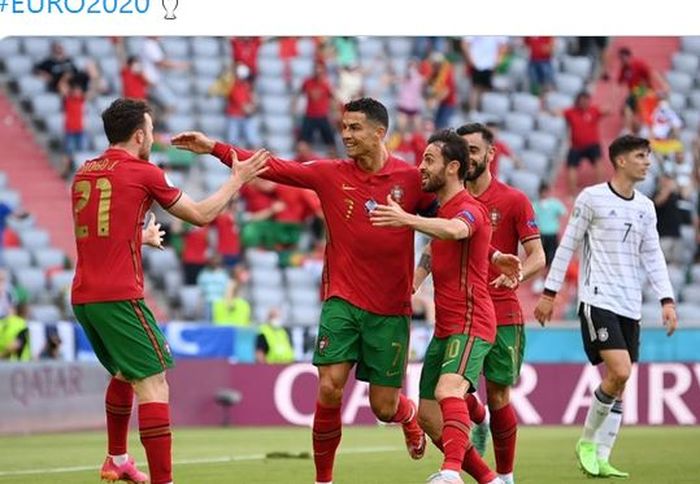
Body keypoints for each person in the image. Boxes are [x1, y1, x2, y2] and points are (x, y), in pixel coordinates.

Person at [173, 100, 523, 484]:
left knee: (384, 407)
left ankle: (414, 422)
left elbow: (454, 221)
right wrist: (213, 148)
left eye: (354, 128)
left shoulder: (411, 180)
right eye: (343, 127)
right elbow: (272, 166)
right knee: (328, 387)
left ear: (378, 132)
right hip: (342, 298)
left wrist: (493, 255)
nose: (345, 135)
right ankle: (324, 480)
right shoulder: (329, 174)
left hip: (390, 310)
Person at [70, 98, 268, 484]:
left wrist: (138, 237)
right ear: (140, 135)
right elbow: (201, 215)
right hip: (119, 297)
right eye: (152, 129)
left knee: (125, 373)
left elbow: (97, 233)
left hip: (84, 296)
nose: (154, 136)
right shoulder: (144, 172)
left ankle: (117, 459)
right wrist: (238, 178)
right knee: (155, 382)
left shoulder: (84, 171)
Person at [534, 135, 678, 479]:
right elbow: (567, 245)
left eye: (648, 157)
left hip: (631, 304)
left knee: (619, 380)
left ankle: (601, 457)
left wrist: (667, 299)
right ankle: (586, 442)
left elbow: (653, 255)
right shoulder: (592, 198)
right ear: (621, 161)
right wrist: (549, 293)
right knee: (621, 371)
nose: (647, 162)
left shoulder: (645, 207)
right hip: (598, 299)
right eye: (641, 156)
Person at [370, 129, 506, 484]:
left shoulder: (469, 209)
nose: (421, 167)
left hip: (473, 322)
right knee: (430, 417)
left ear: (453, 167)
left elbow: (457, 231)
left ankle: (450, 474)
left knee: (448, 391)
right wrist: (413, 284)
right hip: (445, 327)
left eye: (429, 160)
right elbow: (437, 247)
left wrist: (407, 219)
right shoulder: (443, 211)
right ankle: (490, 479)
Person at [457, 123, 545, 484]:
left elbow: (538, 255)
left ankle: (505, 477)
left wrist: (517, 276)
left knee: (499, 395)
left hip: (502, 312)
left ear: (491, 154)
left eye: (474, 151)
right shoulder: (451, 199)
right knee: (450, 389)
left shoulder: (513, 200)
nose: (468, 158)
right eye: (462, 151)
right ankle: (476, 418)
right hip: (460, 310)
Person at [561, 91, 609, 195]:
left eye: (587, 100)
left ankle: (601, 189)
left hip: (592, 145)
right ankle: (572, 193)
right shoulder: (571, 112)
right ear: (578, 101)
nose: (585, 102)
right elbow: (559, 112)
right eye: (582, 100)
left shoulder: (593, 110)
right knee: (571, 167)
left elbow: (606, 110)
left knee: (599, 163)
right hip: (576, 146)